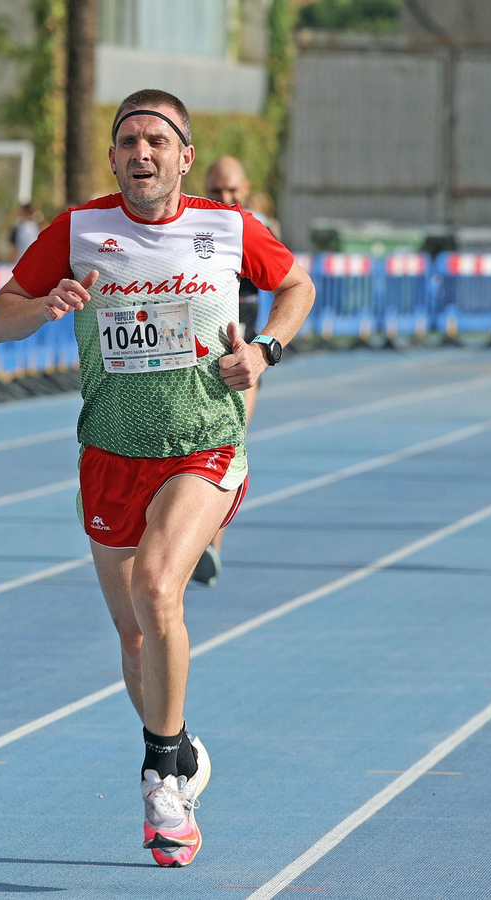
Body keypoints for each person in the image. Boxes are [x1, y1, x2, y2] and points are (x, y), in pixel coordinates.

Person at [0, 88, 315, 867]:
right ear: (113, 157)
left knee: (160, 589)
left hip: (202, 441)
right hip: (109, 449)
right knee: (135, 636)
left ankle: (162, 776)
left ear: (183, 156)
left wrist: (265, 349)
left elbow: (296, 286)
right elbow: (0, 318)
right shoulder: (78, 229)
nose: (142, 154)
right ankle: (182, 744)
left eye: (157, 142)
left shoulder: (225, 226)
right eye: (128, 141)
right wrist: (46, 305)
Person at [190, 155, 277, 586]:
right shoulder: (189, 227)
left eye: (232, 192)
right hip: (190, 358)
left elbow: (292, 286)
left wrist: (265, 348)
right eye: (216, 191)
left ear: (245, 190)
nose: (225, 199)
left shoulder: (255, 229)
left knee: (230, 440)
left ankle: (210, 543)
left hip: (241, 358)